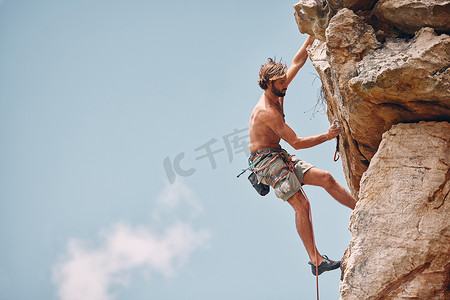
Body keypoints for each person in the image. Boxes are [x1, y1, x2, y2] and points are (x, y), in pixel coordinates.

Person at [248, 35, 357, 276]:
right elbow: (296, 142)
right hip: (266, 162)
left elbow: (298, 60)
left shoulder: (278, 89)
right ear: (268, 83)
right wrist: (328, 136)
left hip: (277, 154)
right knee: (302, 204)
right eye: (280, 83)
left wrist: (312, 33)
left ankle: (360, 209)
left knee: (326, 178)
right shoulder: (267, 112)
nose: (285, 85)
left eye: (284, 80)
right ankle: (316, 261)